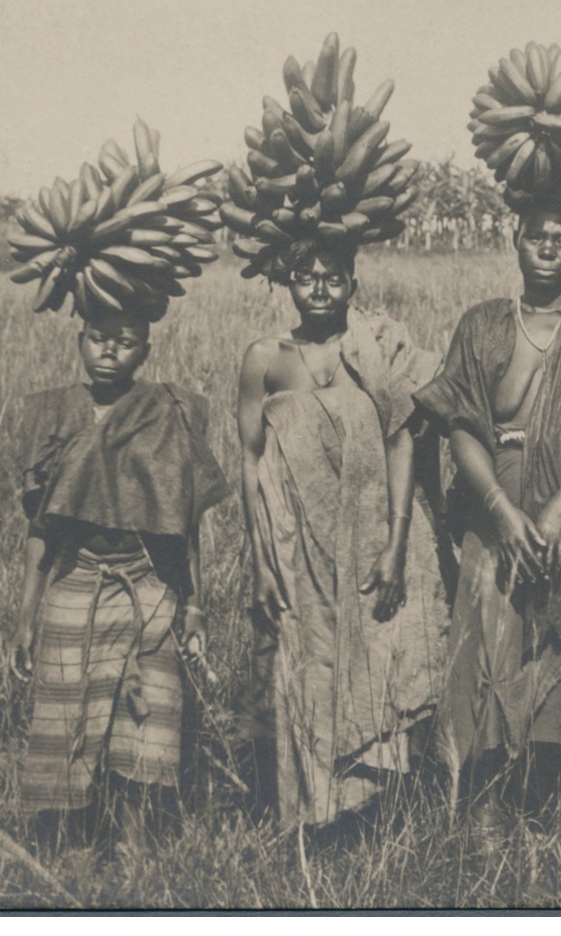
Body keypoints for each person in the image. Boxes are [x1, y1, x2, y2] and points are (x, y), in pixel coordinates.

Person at [414, 184, 561, 836]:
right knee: (486, 663)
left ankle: (548, 821)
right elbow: (460, 425)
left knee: (558, 673)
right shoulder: (482, 324)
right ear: (514, 239)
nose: (549, 244)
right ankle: (481, 825)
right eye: (537, 233)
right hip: (491, 514)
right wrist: (501, 510)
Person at [236, 240, 446, 833]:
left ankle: (375, 816)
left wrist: (397, 545)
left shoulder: (371, 350)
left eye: (334, 276)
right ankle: (314, 817)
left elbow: (400, 438)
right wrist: (259, 561)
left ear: (352, 283)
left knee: (379, 659)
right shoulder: (265, 358)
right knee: (309, 663)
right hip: (295, 542)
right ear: (289, 284)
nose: (321, 288)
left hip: (367, 537)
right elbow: (250, 461)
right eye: (307, 276)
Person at [11, 307, 226, 854]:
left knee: (147, 725)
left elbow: (184, 526)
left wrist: (194, 605)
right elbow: (42, 531)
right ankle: (64, 849)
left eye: (126, 342)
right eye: (99, 339)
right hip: (76, 585)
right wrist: (25, 617)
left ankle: (137, 851)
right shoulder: (53, 414)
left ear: (146, 351)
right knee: (65, 724)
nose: (110, 351)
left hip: (149, 587)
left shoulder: (168, 413)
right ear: (79, 340)